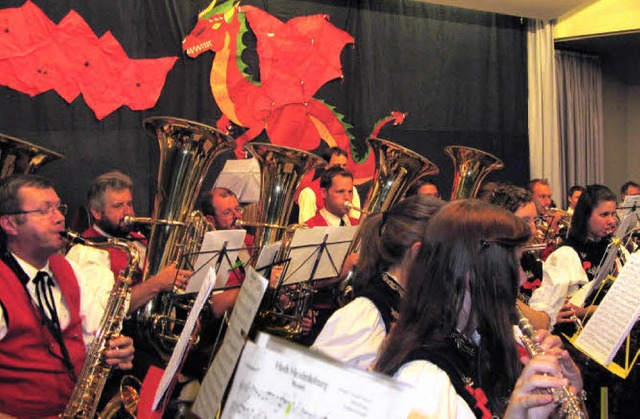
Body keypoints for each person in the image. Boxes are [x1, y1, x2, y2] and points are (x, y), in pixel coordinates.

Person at [374, 200, 583, 418]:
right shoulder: (423, 379)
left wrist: (570, 395)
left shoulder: (480, 341)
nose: (521, 279)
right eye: (514, 266)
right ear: (472, 273)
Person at [0, 174, 134, 417]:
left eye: (58, 207)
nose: (60, 217)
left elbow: (95, 341)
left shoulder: (70, 270)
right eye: (44, 211)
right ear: (10, 224)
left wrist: (117, 350)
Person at [312, 195, 444, 370]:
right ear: (417, 252)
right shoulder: (365, 314)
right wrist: (382, 365)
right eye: (447, 252)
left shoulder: (413, 301)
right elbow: (311, 382)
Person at [66, 171, 191, 314]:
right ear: (97, 213)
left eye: (129, 204)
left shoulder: (139, 240)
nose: (128, 212)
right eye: (118, 206)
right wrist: (158, 283)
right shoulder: (86, 250)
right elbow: (105, 311)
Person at [481, 183, 550, 330]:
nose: (533, 229)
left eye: (534, 220)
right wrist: (544, 317)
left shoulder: (530, 258)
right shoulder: (487, 261)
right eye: (524, 221)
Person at [198, 187, 254, 317]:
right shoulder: (206, 253)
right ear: (210, 220)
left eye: (238, 209)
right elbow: (217, 306)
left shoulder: (251, 241)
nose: (238, 216)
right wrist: (260, 285)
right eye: (228, 212)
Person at [297, 147, 360, 223]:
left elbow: (355, 222)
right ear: (326, 165)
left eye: (344, 165)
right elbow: (306, 229)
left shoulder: (352, 189)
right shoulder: (309, 192)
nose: (341, 169)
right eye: (337, 166)